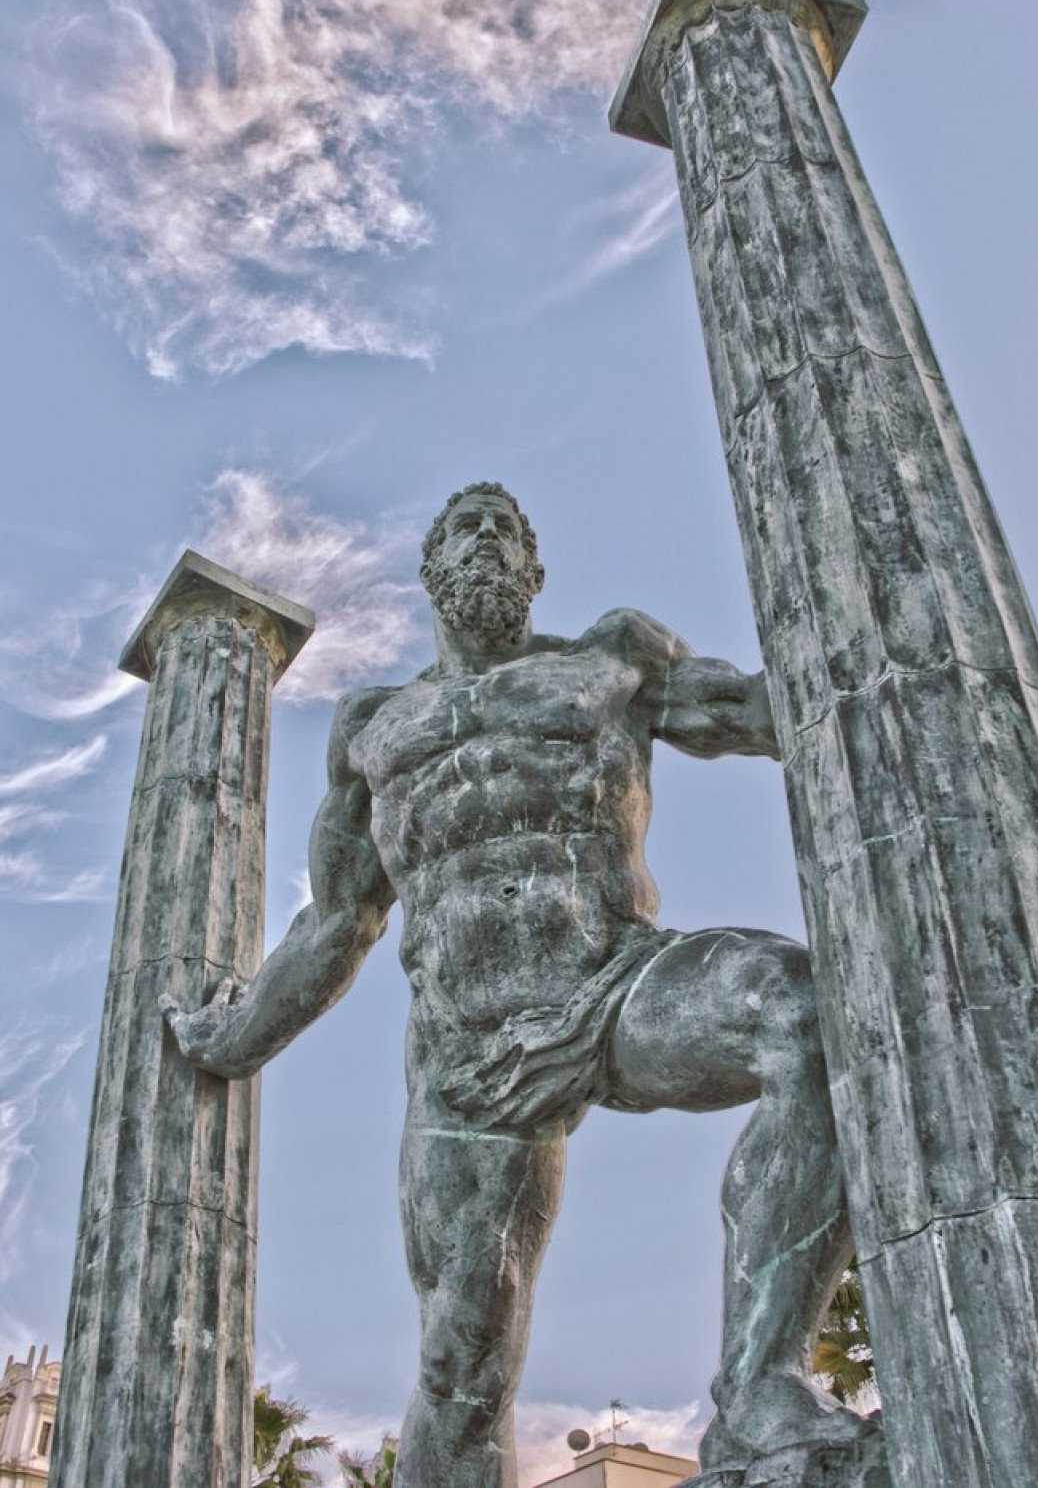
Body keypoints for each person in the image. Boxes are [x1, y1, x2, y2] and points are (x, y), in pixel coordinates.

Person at [163, 481, 871, 1487]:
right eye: (465, 527)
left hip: (620, 987)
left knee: (797, 1014)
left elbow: (764, 710)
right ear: (429, 569)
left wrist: (866, 623)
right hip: (469, 1062)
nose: (488, 539)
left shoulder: (612, 658)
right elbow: (337, 922)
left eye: (508, 530)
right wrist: (229, 1042)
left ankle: (760, 1386)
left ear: (535, 571)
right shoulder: (374, 723)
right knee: (461, 1368)